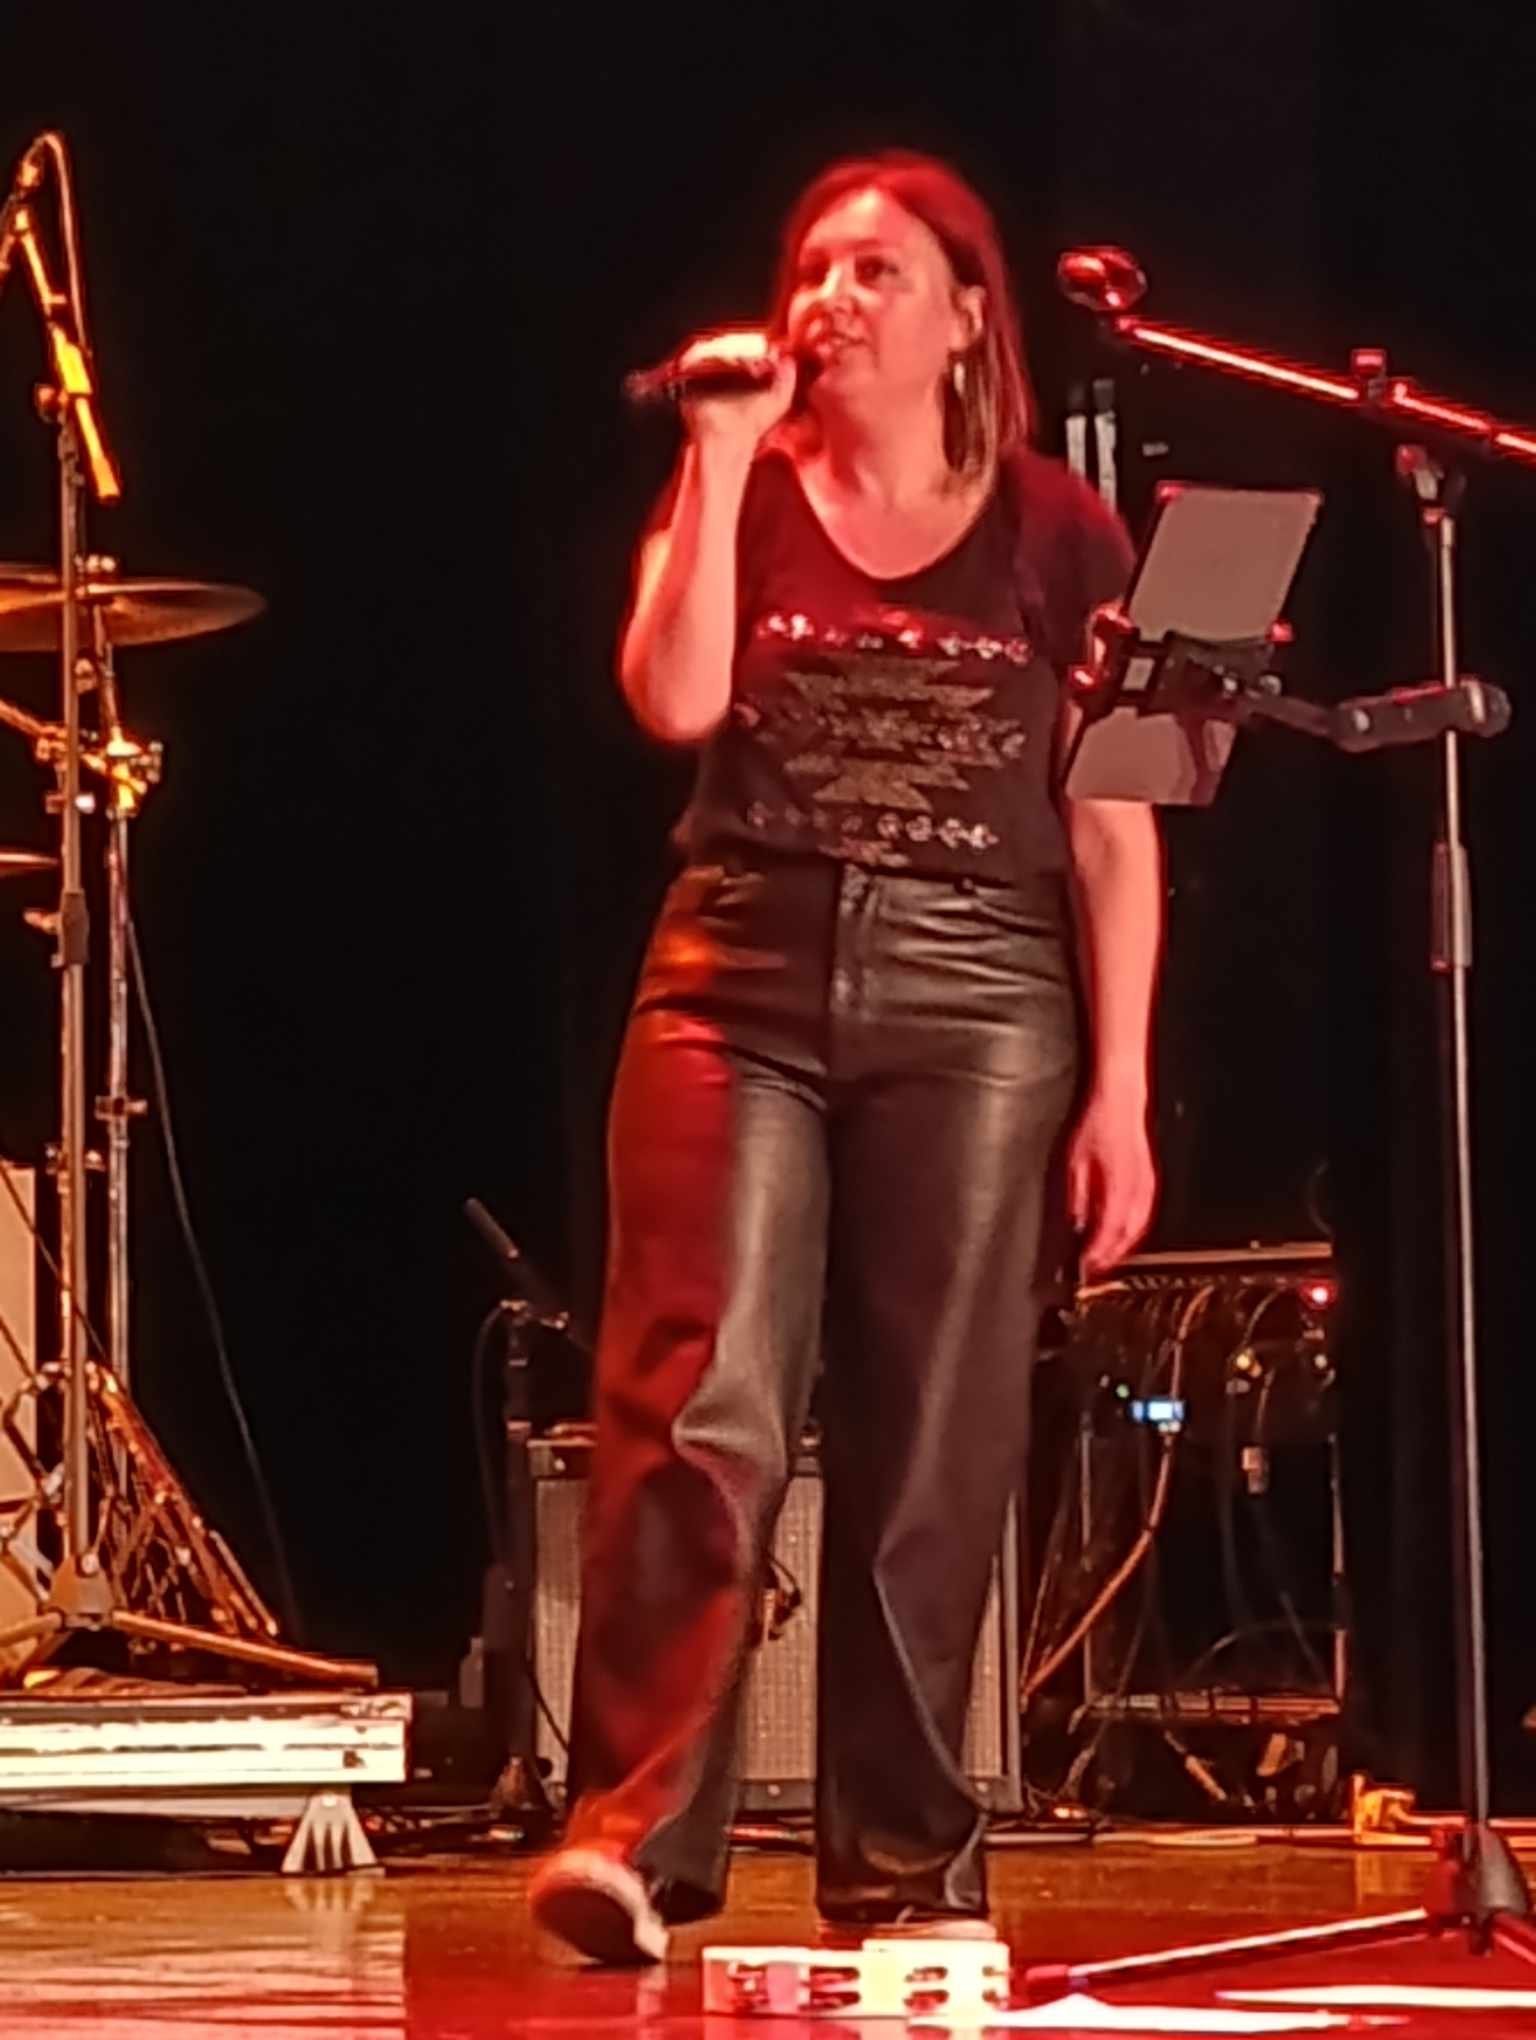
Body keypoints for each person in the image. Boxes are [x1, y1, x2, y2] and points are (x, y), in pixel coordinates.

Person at [530, 150, 1161, 1966]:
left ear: (968, 315)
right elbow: (672, 699)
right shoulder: (741, 486)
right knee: (699, 1397)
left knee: (937, 1428)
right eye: (813, 269)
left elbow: (1115, 830)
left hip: (981, 989)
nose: (830, 301)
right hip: (740, 969)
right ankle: (634, 1842)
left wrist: (1120, 1090)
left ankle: (907, 1867)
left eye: (878, 272)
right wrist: (719, 456)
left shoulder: (1058, 531)